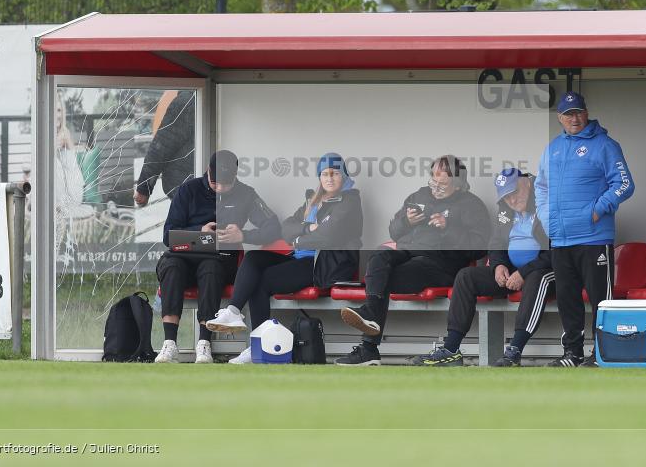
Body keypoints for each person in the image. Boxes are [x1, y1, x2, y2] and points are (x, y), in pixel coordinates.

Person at [335, 155, 491, 366]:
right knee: (378, 258)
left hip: (440, 263)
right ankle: (370, 316)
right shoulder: (420, 194)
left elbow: (479, 247)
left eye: (442, 183)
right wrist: (406, 222)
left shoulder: (471, 204)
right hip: (406, 251)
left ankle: (368, 347)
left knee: (383, 280)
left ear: (458, 183)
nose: (436, 187)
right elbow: (394, 230)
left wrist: (448, 229)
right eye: (433, 181)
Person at [208, 153, 362, 364]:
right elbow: (286, 228)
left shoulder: (350, 200)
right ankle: (234, 311)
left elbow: (328, 236)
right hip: (300, 258)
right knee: (254, 258)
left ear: (343, 175)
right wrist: (307, 229)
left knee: (262, 281)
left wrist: (299, 240)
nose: (329, 178)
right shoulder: (313, 200)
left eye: (334, 173)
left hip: (324, 264)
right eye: (324, 174)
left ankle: (258, 347)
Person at [409, 168, 554, 367]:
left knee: (538, 278)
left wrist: (524, 272)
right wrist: (498, 265)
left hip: (546, 270)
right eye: (506, 197)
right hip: (513, 273)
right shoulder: (506, 209)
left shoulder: (547, 203)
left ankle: (514, 351)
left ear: (527, 183)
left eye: (514, 193)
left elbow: (557, 251)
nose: (511, 200)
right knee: (466, 276)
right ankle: (451, 349)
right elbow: (495, 243)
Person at [535, 91, 634, 367]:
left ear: (586, 112)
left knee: (601, 300)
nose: (574, 118)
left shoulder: (605, 145)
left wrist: (597, 209)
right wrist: (545, 217)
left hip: (594, 237)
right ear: (560, 118)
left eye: (578, 112)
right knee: (568, 300)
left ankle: (603, 354)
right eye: (568, 114)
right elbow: (540, 186)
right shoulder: (552, 148)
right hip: (561, 239)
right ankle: (572, 354)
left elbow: (625, 185)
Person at [154, 150, 281, 364]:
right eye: (215, 184)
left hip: (220, 259)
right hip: (184, 256)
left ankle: (204, 343)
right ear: (207, 172)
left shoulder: (246, 193)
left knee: (211, 268)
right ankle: (170, 344)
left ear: (235, 176)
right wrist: (199, 232)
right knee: (171, 265)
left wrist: (244, 235)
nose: (220, 188)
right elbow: (168, 235)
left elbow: (273, 227)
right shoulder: (188, 190)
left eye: (226, 185)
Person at [134, 90, 195, 205]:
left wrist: (143, 188)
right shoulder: (204, 97)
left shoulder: (185, 101)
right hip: (201, 189)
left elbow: (162, 145)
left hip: (186, 192)